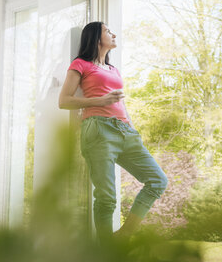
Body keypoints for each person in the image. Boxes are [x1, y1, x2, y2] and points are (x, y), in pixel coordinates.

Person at [58, 21, 168, 244]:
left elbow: (119, 101)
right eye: (108, 31)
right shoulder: (80, 64)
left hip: (125, 131)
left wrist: (132, 128)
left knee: (158, 180)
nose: (114, 34)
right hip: (98, 129)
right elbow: (64, 101)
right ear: (96, 37)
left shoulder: (113, 69)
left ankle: (124, 235)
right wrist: (100, 100)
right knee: (107, 197)